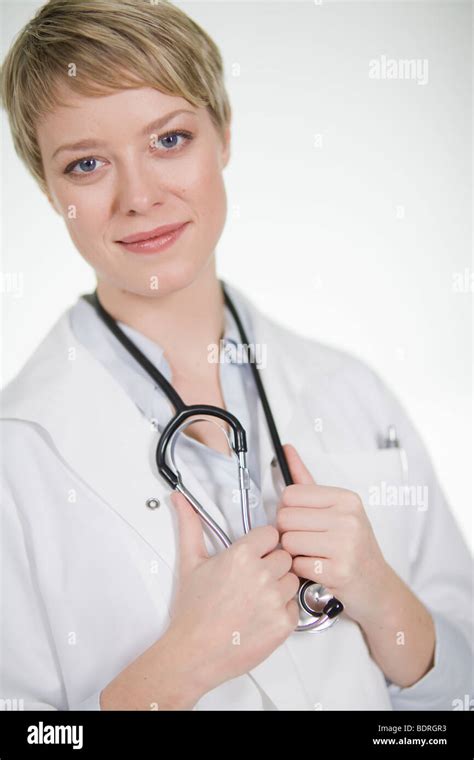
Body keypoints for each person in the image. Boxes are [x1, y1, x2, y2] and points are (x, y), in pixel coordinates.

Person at [0, 0, 472, 712]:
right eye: (87, 163)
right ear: (48, 188)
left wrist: (378, 592)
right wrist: (176, 670)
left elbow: (457, 686)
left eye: (170, 139)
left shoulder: (352, 392)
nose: (140, 196)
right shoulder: (18, 456)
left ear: (223, 137)